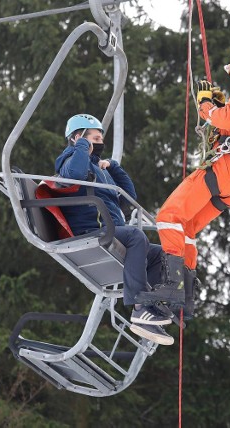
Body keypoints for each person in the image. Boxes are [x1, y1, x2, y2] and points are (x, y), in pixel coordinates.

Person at [135, 46, 230, 311]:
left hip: (228, 166)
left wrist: (207, 106)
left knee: (169, 216)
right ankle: (187, 294)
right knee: (188, 227)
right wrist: (220, 107)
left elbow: (227, 120)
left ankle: (172, 285)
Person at [55, 113, 174, 346]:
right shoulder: (70, 158)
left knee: (160, 253)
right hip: (92, 231)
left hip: (111, 230)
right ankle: (139, 306)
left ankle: (149, 305)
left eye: (101, 138)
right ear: (78, 138)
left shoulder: (99, 168)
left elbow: (129, 195)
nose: (100, 143)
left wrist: (114, 167)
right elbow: (73, 176)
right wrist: (81, 145)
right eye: (94, 138)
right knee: (136, 236)